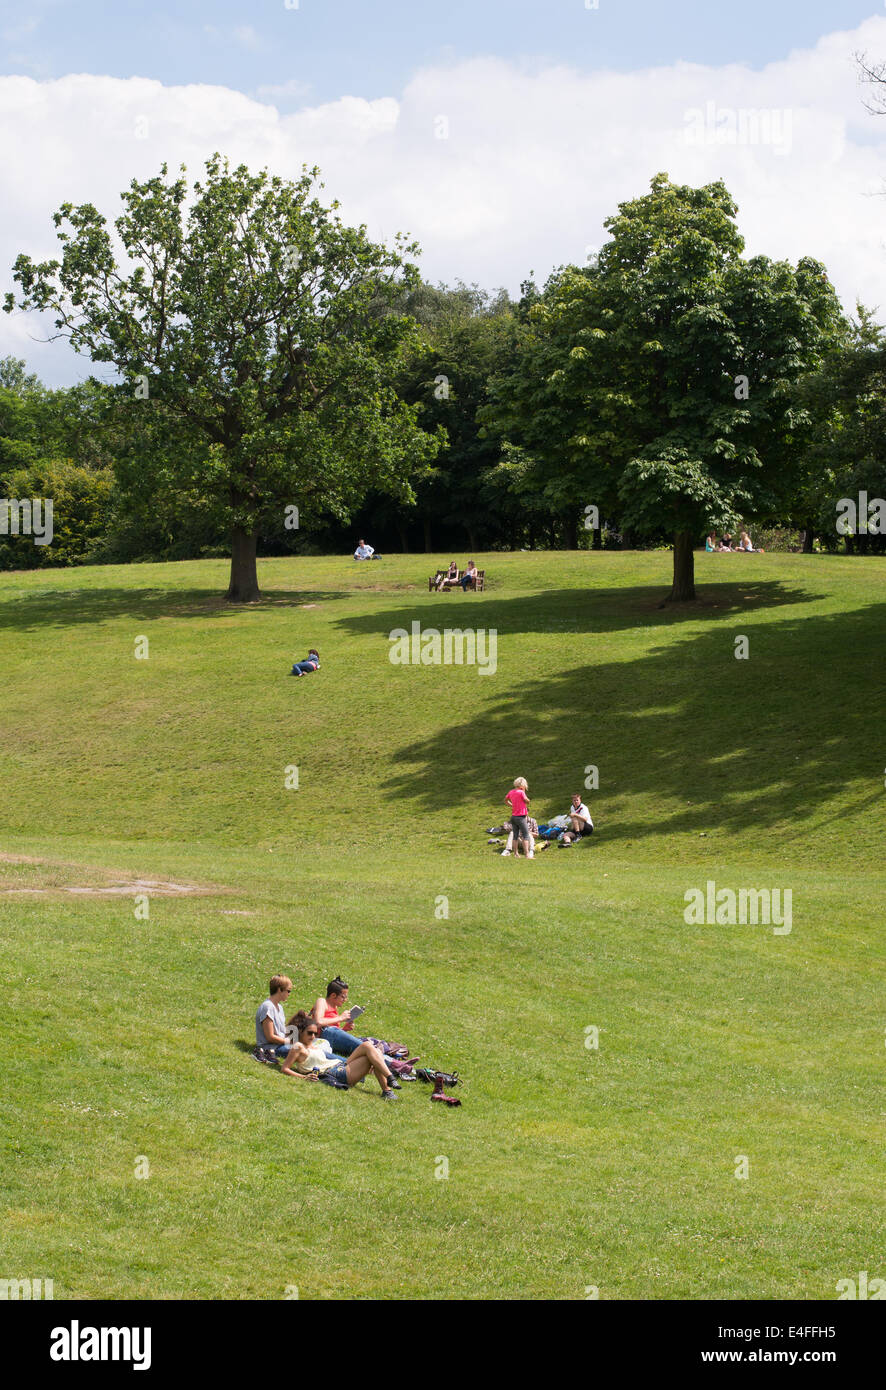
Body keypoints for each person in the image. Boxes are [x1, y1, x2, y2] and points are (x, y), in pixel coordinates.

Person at [284, 1012, 400, 1099]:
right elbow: (285, 1068)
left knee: (369, 1047)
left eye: (315, 1033)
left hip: (339, 1066)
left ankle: (388, 1085)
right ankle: (388, 1084)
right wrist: (304, 1077)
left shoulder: (311, 1045)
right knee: (372, 1053)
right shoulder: (298, 1046)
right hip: (334, 1073)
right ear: (300, 1032)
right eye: (310, 1033)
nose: (313, 1036)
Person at [254, 974, 307, 1070]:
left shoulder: (279, 1007)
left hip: (281, 1044)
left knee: (314, 1046)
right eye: (288, 991)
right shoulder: (268, 1007)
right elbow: (270, 1037)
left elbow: (281, 1031)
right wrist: (289, 1042)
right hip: (272, 1048)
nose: (289, 994)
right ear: (279, 990)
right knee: (307, 1052)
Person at [310, 977, 364, 1058]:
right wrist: (341, 1018)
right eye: (343, 996)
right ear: (333, 995)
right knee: (364, 1047)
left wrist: (344, 1029)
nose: (345, 1000)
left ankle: (384, 1059)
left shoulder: (335, 1008)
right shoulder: (322, 1001)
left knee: (364, 1049)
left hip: (329, 1037)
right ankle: (387, 1061)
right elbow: (318, 1022)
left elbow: (334, 1034)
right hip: (323, 1037)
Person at [503, 777, 534, 858]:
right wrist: (526, 797)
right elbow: (527, 801)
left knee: (515, 835)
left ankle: (516, 853)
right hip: (521, 817)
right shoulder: (521, 792)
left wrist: (512, 805)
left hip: (513, 817)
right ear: (523, 785)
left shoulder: (511, 792)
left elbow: (505, 800)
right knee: (526, 835)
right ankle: (527, 854)